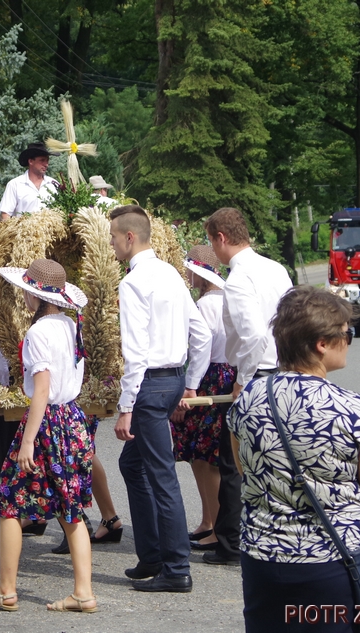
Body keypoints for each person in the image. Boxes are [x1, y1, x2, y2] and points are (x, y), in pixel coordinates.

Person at [228, 285, 360, 632]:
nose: (349, 341)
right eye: (347, 334)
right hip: (330, 560)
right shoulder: (352, 408)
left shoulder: (247, 400)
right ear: (322, 344)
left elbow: (245, 470)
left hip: (263, 558)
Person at [0, 258, 97, 613]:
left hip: (47, 423)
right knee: (70, 508)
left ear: (37, 296)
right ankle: (83, 592)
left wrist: (27, 440)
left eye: (26, 291)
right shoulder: (70, 325)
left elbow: (41, 390)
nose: (23, 296)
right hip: (71, 419)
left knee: (9, 501)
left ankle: (6, 590)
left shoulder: (39, 333)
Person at [109, 204, 212, 593]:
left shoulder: (133, 282)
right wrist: (191, 382)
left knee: (161, 476)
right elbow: (201, 333)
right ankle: (152, 555)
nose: (111, 244)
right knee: (132, 464)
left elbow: (135, 353)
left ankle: (176, 567)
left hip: (150, 386)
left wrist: (126, 407)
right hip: (172, 380)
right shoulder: (169, 272)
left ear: (129, 237)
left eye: (113, 237)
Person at [204, 207, 293, 566]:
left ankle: (231, 544)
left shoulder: (239, 278)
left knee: (235, 462)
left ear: (221, 238)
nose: (214, 250)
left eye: (212, 242)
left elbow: (254, 335)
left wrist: (243, 380)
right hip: (284, 368)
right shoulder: (275, 268)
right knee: (277, 459)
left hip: (257, 375)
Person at [168, 246, 235, 552]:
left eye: (189, 271)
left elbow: (201, 348)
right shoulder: (225, 298)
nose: (187, 275)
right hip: (224, 373)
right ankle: (209, 520)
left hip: (210, 376)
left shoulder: (207, 304)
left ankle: (216, 523)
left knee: (206, 457)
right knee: (203, 455)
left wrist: (190, 385)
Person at [0, 143, 60, 220]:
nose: (46, 164)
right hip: (23, 227)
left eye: (47, 160)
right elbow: (5, 215)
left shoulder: (53, 184)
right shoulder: (15, 185)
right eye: (42, 160)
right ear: (31, 161)